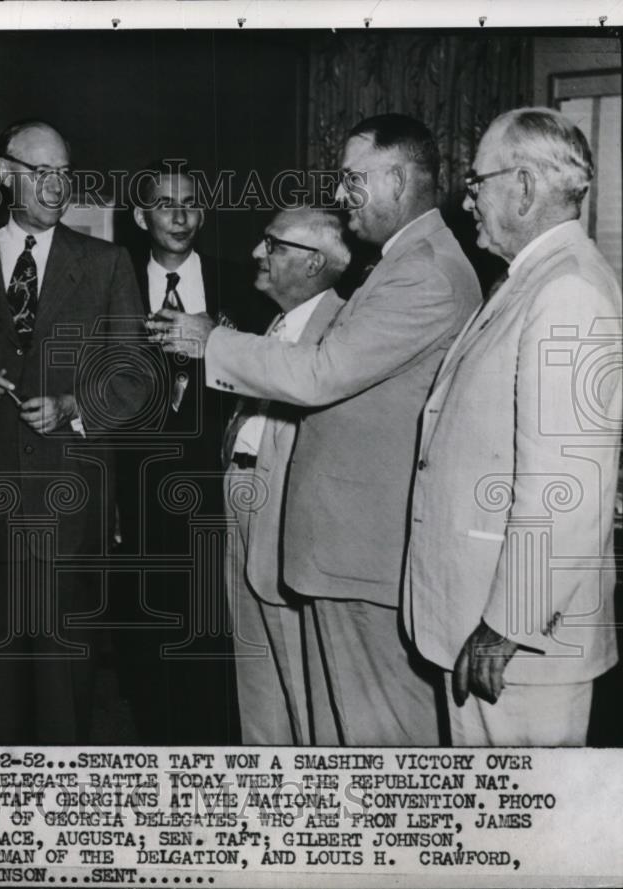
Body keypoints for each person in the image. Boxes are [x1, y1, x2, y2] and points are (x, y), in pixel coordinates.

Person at [150, 114, 481, 745]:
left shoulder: (423, 270)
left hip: (362, 551)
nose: (341, 194)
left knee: (375, 749)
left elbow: (323, 373)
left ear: (398, 179)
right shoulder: (405, 263)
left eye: (354, 179)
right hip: (341, 549)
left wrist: (210, 340)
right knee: (336, 739)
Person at [0, 120, 150, 744]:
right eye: (42, 172)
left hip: (69, 515)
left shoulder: (107, 264)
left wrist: (73, 407)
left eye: (64, 173)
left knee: (63, 690)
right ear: (4, 175)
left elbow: (133, 377)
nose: (57, 186)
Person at [404, 107, 621, 746]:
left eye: (477, 183)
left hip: (519, 642)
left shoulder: (569, 294)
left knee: (525, 831)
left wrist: (507, 623)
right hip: (492, 621)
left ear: (523, 187)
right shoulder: (531, 279)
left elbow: (567, 484)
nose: (467, 201)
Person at [114, 162, 276, 743]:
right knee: (152, 634)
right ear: (141, 216)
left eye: (189, 203)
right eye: (164, 203)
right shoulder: (115, 282)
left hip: (220, 487)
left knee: (222, 631)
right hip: (140, 494)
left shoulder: (243, 288)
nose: (179, 215)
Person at [222, 208, 347, 744]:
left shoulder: (342, 329)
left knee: (299, 681)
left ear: (313, 262)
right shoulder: (277, 321)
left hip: (287, 514)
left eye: (272, 245)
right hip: (243, 496)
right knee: (255, 671)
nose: (256, 252)